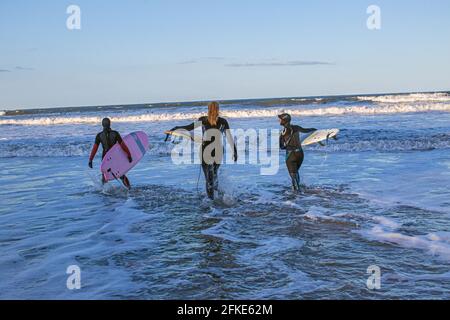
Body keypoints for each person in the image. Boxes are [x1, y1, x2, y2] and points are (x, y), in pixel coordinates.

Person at [168, 102, 238, 200]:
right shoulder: (223, 121)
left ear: (208, 109)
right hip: (218, 151)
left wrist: (176, 128)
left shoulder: (203, 120)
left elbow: (189, 127)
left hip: (206, 150)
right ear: (218, 109)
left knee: (208, 178)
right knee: (214, 174)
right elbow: (229, 137)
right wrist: (235, 152)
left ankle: (211, 202)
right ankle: (217, 197)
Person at [88, 118, 133, 189]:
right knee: (121, 174)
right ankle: (129, 188)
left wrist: (90, 160)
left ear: (102, 125)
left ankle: (104, 191)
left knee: (104, 176)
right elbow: (123, 146)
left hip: (105, 158)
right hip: (114, 157)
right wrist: (129, 155)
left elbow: (95, 149)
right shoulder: (115, 133)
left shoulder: (99, 135)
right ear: (110, 124)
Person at [278, 113, 317, 191]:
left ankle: (296, 194)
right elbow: (307, 130)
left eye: (280, 119)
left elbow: (281, 147)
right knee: (295, 173)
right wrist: (316, 130)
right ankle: (298, 191)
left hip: (290, 155)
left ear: (284, 120)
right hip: (300, 154)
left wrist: (285, 143)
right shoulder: (297, 127)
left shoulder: (283, 133)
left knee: (293, 175)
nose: (278, 120)